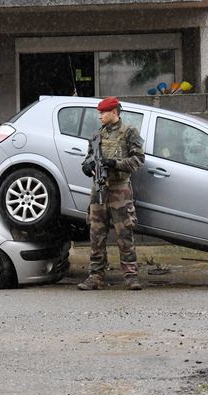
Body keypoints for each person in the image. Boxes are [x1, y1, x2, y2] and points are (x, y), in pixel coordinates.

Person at [78, 96, 145, 291]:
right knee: (96, 233)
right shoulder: (96, 135)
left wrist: (115, 164)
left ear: (114, 112)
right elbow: (87, 159)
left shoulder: (129, 132)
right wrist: (87, 166)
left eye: (103, 112)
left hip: (119, 189)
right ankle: (95, 275)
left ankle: (131, 276)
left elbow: (138, 160)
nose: (99, 116)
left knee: (124, 233)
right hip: (99, 189)